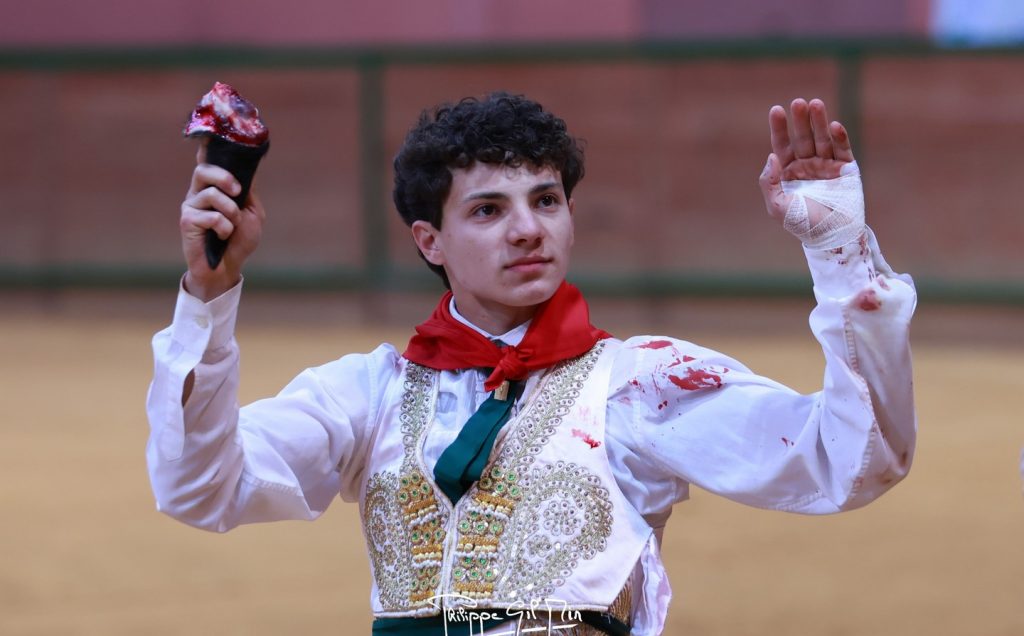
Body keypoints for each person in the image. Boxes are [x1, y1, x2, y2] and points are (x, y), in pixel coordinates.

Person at [146, 92, 917, 635]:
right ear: (430, 241)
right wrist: (208, 298)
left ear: (570, 217)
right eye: (489, 210)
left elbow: (851, 459)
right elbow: (199, 488)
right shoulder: (369, 393)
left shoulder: (640, 383)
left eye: (545, 201)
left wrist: (838, 251)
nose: (527, 229)